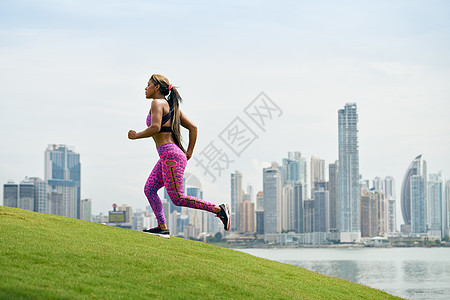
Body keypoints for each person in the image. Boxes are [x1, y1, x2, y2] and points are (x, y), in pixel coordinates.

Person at [128, 74, 230, 238]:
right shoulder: (170, 107)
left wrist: (136, 135)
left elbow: (155, 127)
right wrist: (188, 152)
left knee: (178, 198)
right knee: (150, 189)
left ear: (156, 88)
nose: (145, 88)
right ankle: (162, 227)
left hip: (170, 155)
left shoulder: (157, 103)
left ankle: (219, 209)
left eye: (148, 85)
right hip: (168, 155)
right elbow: (193, 128)